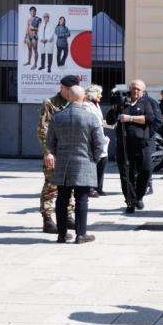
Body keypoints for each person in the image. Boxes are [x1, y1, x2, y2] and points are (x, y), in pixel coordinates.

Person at [46, 85, 106, 244]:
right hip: (84, 162)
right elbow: (99, 144)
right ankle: (81, 234)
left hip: (63, 164)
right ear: (83, 98)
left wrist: (56, 155)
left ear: (69, 97)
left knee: (62, 199)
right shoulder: (91, 118)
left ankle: (62, 234)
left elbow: (50, 143)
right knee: (82, 199)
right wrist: (94, 159)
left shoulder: (57, 117)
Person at [106, 79, 161, 213]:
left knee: (146, 170)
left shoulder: (147, 102)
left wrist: (130, 118)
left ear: (142, 91)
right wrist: (115, 108)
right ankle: (130, 201)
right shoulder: (123, 102)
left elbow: (150, 119)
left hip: (142, 144)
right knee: (126, 174)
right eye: (133, 88)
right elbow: (110, 120)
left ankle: (139, 195)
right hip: (124, 145)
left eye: (138, 89)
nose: (135, 91)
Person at [38, 75, 78, 233]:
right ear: (61, 87)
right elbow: (42, 129)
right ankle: (47, 219)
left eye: (71, 90)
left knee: (72, 185)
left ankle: (68, 215)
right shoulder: (50, 103)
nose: (68, 92)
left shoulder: (77, 102)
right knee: (51, 185)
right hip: (55, 152)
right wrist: (47, 151)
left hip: (72, 152)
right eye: (66, 89)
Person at [83, 84, 111, 197]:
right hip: (92, 139)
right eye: (99, 93)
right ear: (93, 94)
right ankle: (90, 188)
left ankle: (99, 187)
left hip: (101, 138)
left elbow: (99, 120)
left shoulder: (96, 105)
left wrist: (111, 124)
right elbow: (88, 123)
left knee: (103, 161)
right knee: (93, 164)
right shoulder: (86, 105)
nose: (101, 95)